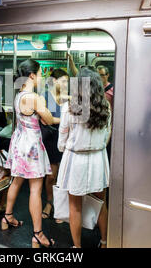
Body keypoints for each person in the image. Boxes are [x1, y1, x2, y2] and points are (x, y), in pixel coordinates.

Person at [2, 59, 56, 248]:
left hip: (19, 143)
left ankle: (7, 217)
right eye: (41, 73)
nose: (42, 77)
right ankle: (37, 234)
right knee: (35, 189)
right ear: (32, 75)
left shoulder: (19, 96)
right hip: (32, 146)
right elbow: (48, 120)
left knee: (16, 181)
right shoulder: (34, 97)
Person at [57, 67, 112, 248]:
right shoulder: (106, 107)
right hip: (98, 159)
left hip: (76, 160)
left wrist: (64, 147)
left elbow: (62, 140)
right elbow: (106, 137)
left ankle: (77, 247)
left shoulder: (69, 108)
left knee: (75, 206)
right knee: (100, 203)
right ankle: (104, 242)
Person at [41, 69, 69, 223]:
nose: (66, 84)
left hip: (65, 140)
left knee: (63, 177)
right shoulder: (44, 97)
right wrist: (64, 119)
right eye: (63, 81)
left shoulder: (66, 99)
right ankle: (49, 203)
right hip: (50, 140)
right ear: (54, 81)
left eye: (67, 82)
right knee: (51, 176)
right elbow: (47, 120)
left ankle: (60, 207)